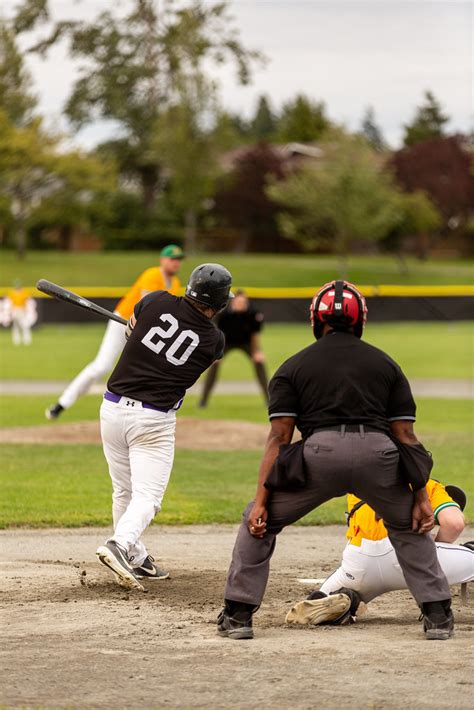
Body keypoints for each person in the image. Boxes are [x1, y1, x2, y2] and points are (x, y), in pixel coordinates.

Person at [218, 280, 454, 641]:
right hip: (380, 456)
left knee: (258, 522)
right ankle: (437, 615)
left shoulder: (294, 365)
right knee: (409, 527)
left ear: (316, 320)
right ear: (360, 320)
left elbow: (279, 438)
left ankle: (238, 615)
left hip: (319, 457)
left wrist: (262, 503)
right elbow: (406, 438)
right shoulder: (385, 364)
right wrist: (421, 498)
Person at [95, 263, 232, 589]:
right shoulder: (214, 340)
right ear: (220, 303)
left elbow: (131, 333)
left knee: (123, 491)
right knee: (148, 497)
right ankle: (120, 545)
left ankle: (137, 558)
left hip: (112, 409)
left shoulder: (154, 300)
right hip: (152, 421)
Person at [285, 480, 474, 627]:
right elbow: (454, 523)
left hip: (358, 563)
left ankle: (347, 600)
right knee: (466, 551)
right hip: (409, 558)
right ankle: (433, 602)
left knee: (323, 598)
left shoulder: (358, 485)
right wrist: (435, 550)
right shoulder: (427, 485)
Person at [45, 245, 184, 420]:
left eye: (179, 259)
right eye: (173, 259)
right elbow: (147, 304)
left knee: (148, 368)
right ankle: (61, 404)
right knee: (102, 366)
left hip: (144, 330)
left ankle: (143, 411)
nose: (176, 263)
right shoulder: (153, 275)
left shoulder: (176, 283)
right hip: (124, 322)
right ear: (162, 260)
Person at [199, 289, 268, 407]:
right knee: (214, 364)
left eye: (243, 302)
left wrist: (257, 352)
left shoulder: (253, 314)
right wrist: (216, 353)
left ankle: (269, 400)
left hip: (246, 342)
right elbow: (216, 333)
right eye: (238, 302)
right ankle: (203, 401)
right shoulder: (223, 314)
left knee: (259, 362)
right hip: (226, 342)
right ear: (233, 302)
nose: (241, 304)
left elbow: (254, 335)